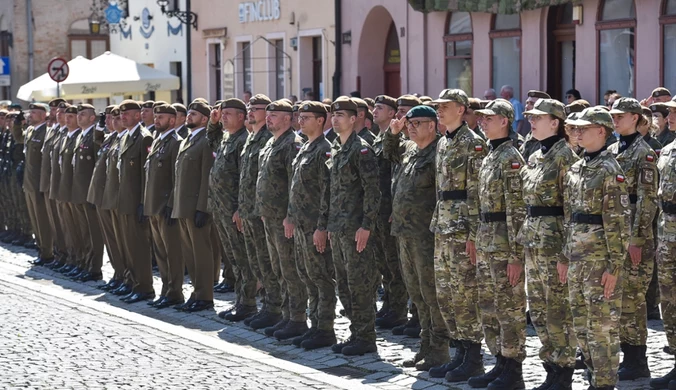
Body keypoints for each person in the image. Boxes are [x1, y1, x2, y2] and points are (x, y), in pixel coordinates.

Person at [565, 107, 630, 390]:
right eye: (575, 129)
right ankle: (594, 379)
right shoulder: (578, 166)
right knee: (581, 327)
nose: (577, 133)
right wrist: (564, 256)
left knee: (601, 330)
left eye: (584, 128)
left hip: (599, 261)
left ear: (601, 131)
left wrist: (614, 268)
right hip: (577, 259)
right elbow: (570, 216)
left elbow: (618, 223)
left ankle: (604, 384)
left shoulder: (609, 170)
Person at [429, 89, 488, 382]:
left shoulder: (474, 145)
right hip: (443, 225)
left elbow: (479, 192)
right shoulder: (443, 143)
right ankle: (459, 352)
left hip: (463, 227)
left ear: (462, 109)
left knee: (465, 293)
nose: (439, 110)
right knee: (446, 294)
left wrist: (474, 235)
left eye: (445, 106)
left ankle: (473, 357)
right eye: (438, 106)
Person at [467, 99, 527, 389]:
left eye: (489, 118)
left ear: (504, 121)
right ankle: (499, 362)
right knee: (489, 307)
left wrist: (517, 256)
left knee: (510, 309)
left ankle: (513, 371)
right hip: (488, 239)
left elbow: (517, 210)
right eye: (482, 118)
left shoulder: (511, 158)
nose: (482, 122)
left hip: (505, 244)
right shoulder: (491, 155)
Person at [385, 105, 450, 371]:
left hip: (426, 235)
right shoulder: (411, 150)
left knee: (431, 293)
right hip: (404, 233)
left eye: (416, 123)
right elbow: (387, 154)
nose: (410, 127)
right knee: (417, 294)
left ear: (432, 126)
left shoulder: (440, 152)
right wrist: (393, 133)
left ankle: (439, 350)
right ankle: (425, 346)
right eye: (408, 123)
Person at [521, 98, 580, 390]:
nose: (532, 121)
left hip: (554, 244)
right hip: (534, 242)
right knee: (540, 311)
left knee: (558, 310)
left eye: (538, 117)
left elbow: (571, 210)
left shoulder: (565, 158)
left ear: (555, 122)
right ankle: (551, 368)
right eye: (530, 117)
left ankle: (564, 370)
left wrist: (566, 254)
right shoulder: (537, 155)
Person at [608, 98, 659, 381]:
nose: (615, 120)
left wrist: (637, 238)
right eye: (613, 116)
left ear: (636, 118)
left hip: (634, 237)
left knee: (633, 300)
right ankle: (624, 353)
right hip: (615, 236)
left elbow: (648, 200)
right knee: (618, 298)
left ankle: (637, 360)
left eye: (621, 116)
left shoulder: (644, 153)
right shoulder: (614, 150)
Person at [326, 96, 380, 356]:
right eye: (333, 115)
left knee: (360, 283)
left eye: (341, 116)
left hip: (355, 228)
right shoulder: (337, 147)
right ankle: (356, 331)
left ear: (353, 119)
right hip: (338, 227)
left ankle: (366, 336)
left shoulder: (362, 149)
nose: (335, 119)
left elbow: (373, 191)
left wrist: (367, 225)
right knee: (344, 284)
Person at [287, 101, 337, 350]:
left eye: (306, 117)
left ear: (320, 120)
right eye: (300, 116)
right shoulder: (306, 147)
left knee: (321, 277)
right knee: (307, 276)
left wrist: (322, 227)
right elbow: (296, 187)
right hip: (300, 224)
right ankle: (314, 325)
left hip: (314, 225)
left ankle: (325, 329)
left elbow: (327, 193)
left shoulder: (324, 150)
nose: (300, 121)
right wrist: (290, 216)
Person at [257, 100, 307, 340]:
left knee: (290, 270)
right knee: (277, 268)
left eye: (274, 115)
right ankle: (285, 315)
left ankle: (297, 318)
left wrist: (290, 215)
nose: (269, 119)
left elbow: (294, 185)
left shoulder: (292, 144)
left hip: (284, 219)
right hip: (269, 216)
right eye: (268, 115)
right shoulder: (270, 142)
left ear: (288, 119)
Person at [209, 99, 257, 321]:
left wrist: (239, 208)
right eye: (222, 113)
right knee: (233, 259)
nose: (224, 116)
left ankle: (247, 304)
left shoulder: (242, 141)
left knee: (242, 258)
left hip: (234, 210)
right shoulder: (227, 138)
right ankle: (240, 300)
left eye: (228, 114)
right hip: (221, 209)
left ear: (241, 117)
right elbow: (212, 142)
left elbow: (245, 179)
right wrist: (213, 124)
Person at [172, 100, 216, 312]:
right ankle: (196, 292)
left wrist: (203, 208)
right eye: (188, 113)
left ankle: (205, 295)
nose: (189, 117)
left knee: (201, 253)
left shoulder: (206, 141)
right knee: (190, 253)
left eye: (194, 114)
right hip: (183, 205)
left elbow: (206, 176)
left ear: (205, 119)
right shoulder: (187, 140)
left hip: (196, 207)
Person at [238, 94, 276, 330]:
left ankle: (273, 308)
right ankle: (265, 306)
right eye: (249, 108)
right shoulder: (253, 138)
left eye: (257, 109)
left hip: (262, 212)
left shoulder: (266, 139)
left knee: (268, 263)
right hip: (249, 210)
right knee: (257, 262)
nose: (250, 112)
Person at [371, 95, 407, 330]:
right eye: (374, 107)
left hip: (389, 208)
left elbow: (398, 177)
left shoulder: (398, 140)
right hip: (378, 209)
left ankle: (399, 309)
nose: (374, 111)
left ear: (393, 114)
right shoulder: (378, 140)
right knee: (384, 262)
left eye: (380, 108)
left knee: (394, 264)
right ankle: (391, 305)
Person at [143, 104, 185, 309]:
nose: (157, 120)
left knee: (172, 252)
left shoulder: (175, 143)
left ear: (172, 120)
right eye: (156, 116)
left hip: (165, 206)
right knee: (160, 253)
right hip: (153, 205)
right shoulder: (158, 141)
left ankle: (175, 292)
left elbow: (177, 178)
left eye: (162, 117)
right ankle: (165, 290)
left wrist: (171, 204)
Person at [651, 96, 676, 389]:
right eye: (668, 111)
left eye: (674, 112)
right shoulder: (667, 150)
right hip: (667, 232)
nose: (669, 116)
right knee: (668, 302)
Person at [88, 106, 126, 292]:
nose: (111, 122)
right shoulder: (111, 138)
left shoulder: (124, 138)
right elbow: (97, 143)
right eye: (109, 119)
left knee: (121, 240)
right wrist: (100, 127)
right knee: (111, 239)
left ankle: (125, 275)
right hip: (104, 195)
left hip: (115, 197)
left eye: (114, 118)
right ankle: (118, 273)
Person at [11, 103, 53, 265]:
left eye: (34, 112)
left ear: (43, 115)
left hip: (38, 182)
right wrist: (16, 124)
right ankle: (41, 250)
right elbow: (19, 138)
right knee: (35, 219)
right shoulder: (30, 131)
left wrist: (44, 184)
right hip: (29, 182)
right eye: (30, 112)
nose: (30, 115)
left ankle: (48, 252)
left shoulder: (45, 133)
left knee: (42, 219)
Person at [69, 104, 104, 282]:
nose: (78, 117)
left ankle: (94, 268)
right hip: (79, 191)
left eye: (82, 114)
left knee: (93, 233)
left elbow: (98, 167)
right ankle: (84, 264)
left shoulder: (94, 136)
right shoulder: (80, 136)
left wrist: (94, 193)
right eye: (78, 114)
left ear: (92, 118)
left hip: (89, 193)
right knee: (83, 232)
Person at [520, 90, 553, 159]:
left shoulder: (546, 135)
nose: (527, 106)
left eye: (532, 104)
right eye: (527, 103)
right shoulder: (530, 134)